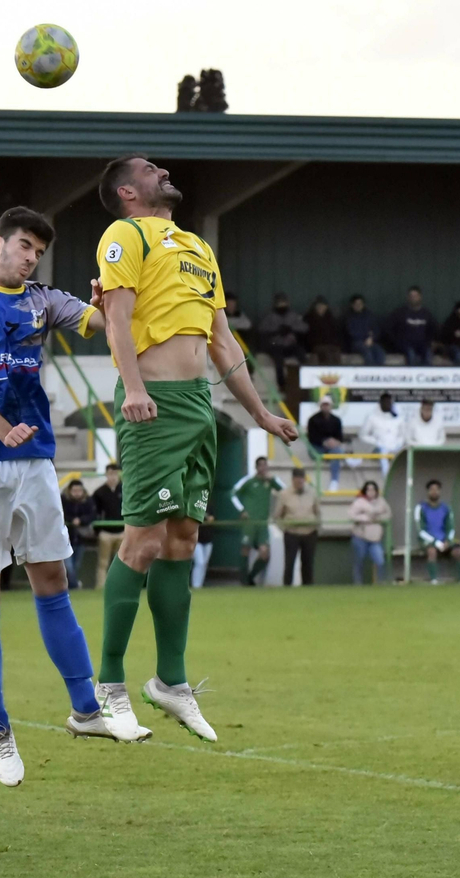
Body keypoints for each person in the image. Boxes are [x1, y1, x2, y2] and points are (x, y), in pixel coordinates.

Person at [0, 207, 146, 781]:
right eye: (24, 247)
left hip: (33, 459)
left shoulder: (43, 299)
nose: (30, 259)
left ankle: (84, 708)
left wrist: (110, 301)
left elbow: (104, 323)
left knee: (51, 578)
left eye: (38, 252)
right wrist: (1, 429)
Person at [93, 157, 297, 744]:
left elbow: (222, 339)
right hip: (150, 402)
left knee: (184, 537)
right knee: (144, 540)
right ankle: (108, 688)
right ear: (128, 192)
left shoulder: (199, 248)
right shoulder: (124, 234)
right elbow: (117, 317)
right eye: (150, 169)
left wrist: (258, 412)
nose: (164, 171)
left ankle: (171, 683)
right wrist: (133, 388)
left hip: (197, 408)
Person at [231, 458, 282, 587]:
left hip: (263, 522)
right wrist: (242, 509)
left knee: (265, 553)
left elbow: (285, 490)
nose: (263, 468)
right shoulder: (248, 480)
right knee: (245, 549)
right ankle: (243, 581)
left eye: (265, 466)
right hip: (249, 522)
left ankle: (250, 577)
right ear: (256, 467)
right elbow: (233, 494)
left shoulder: (269, 482)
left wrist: (273, 479)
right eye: (261, 466)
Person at [415, 479, 460, 585]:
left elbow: (451, 527)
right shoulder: (421, 507)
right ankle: (434, 580)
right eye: (432, 489)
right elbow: (421, 530)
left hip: (444, 540)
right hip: (428, 541)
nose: (434, 492)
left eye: (437, 489)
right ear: (428, 492)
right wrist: (436, 542)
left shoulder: (446, 508)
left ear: (440, 492)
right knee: (432, 551)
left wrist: (448, 541)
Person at [273, 467, 319, 587]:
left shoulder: (312, 493)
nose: (300, 482)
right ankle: (287, 587)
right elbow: (277, 515)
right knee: (289, 562)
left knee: (308, 563)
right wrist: (284, 528)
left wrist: (316, 527)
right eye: (297, 480)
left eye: (302, 479)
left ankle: (308, 587)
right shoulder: (284, 494)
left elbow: (317, 512)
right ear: (293, 480)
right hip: (291, 533)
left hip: (309, 532)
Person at [257, 293, 307, 388]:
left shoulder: (293, 315)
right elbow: (261, 328)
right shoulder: (270, 317)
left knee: (302, 354)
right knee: (278, 360)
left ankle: (305, 380)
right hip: (276, 345)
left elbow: (304, 327)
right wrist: (276, 331)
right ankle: (282, 384)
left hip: (290, 345)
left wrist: (291, 328)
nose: (282, 305)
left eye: (284, 303)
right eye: (280, 303)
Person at [348, 481, 390, 585]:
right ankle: (358, 584)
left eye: (373, 489)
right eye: (368, 489)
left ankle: (380, 583)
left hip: (375, 538)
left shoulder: (381, 502)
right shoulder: (359, 502)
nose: (371, 492)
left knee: (380, 561)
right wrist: (365, 518)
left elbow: (388, 514)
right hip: (360, 537)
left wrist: (378, 518)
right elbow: (351, 515)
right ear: (365, 491)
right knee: (359, 562)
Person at [92, 464, 124, 590]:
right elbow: (95, 513)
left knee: (121, 562)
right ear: (106, 474)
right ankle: (101, 587)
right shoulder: (99, 492)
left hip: (122, 531)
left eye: (116, 474)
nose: (113, 477)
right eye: (111, 474)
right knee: (103, 562)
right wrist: (98, 531)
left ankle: (120, 587)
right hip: (105, 532)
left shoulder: (125, 489)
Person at [386, 286, 437, 365]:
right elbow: (389, 328)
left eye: (415, 296)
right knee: (411, 354)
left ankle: (426, 376)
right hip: (405, 345)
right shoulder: (400, 312)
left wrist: (430, 342)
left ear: (420, 297)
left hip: (422, 344)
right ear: (408, 297)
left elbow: (433, 329)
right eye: (411, 296)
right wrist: (397, 341)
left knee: (428, 354)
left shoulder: (426, 313)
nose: (413, 298)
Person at [61, 480, 97, 591]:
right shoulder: (63, 501)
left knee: (76, 565)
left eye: (79, 490)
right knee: (69, 567)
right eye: (74, 490)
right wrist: (72, 520)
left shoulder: (88, 501)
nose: (77, 493)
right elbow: (60, 514)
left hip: (81, 539)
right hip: (66, 539)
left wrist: (81, 520)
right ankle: (74, 586)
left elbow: (93, 515)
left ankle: (71, 587)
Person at [359, 392, 405, 475]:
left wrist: (398, 444)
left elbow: (403, 435)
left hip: (396, 447)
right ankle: (387, 478)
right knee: (383, 452)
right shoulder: (372, 417)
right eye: (385, 402)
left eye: (389, 402)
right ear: (380, 403)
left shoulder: (398, 418)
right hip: (379, 448)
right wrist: (376, 442)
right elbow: (362, 435)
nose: (387, 404)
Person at [305, 396, 346, 490]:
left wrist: (335, 442)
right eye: (324, 405)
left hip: (332, 448)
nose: (325, 407)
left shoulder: (336, 420)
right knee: (337, 452)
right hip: (317, 448)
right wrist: (324, 442)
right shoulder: (313, 419)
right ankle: (345, 458)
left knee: (336, 451)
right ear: (320, 406)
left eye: (327, 405)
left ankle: (334, 481)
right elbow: (311, 437)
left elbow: (340, 437)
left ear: (331, 406)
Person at [342, 294, 384, 366]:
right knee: (367, 352)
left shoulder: (369, 315)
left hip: (370, 342)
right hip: (355, 343)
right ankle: (369, 373)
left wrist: (371, 338)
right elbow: (351, 333)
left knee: (380, 351)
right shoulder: (348, 317)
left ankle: (378, 372)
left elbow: (376, 330)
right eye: (356, 304)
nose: (358, 305)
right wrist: (366, 338)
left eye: (360, 303)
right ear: (352, 305)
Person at [302, 296, 341, 366]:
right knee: (326, 352)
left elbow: (335, 333)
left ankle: (337, 372)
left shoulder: (330, 318)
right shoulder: (309, 318)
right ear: (315, 307)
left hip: (329, 344)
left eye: (323, 306)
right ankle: (326, 373)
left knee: (336, 351)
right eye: (319, 306)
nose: (321, 308)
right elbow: (307, 335)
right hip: (315, 344)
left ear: (326, 307)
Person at [190, 514, 216, 589]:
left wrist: (211, 518)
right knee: (200, 562)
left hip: (208, 539)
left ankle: (199, 585)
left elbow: (213, 518)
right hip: (197, 540)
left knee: (204, 564)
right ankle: (196, 586)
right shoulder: (193, 506)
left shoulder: (210, 505)